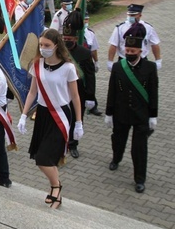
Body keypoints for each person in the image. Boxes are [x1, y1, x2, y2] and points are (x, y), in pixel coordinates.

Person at [17, 28, 83, 209]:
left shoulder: (68, 68)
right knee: (42, 156)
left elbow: (76, 97)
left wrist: (78, 122)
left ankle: (56, 186)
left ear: (56, 45)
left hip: (60, 115)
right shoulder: (36, 64)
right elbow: (32, 92)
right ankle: (56, 189)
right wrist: (23, 115)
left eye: (47, 45)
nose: (43, 48)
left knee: (43, 158)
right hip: (43, 115)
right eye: (41, 45)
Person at [105, 31, 158, 193]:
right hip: (121, 113)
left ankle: (139, 179)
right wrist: (109, 113)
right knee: (118, 140)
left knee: (139, 149)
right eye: (127, 51)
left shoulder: (150, 67)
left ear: (140, 51)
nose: (129, 54)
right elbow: (112, 91)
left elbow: (153, 92)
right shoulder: (118, 67)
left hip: (141, 115)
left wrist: (153, 116)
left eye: (132, 52)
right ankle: (117, 158)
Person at [62, 11, 96, 159]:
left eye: (69, 39)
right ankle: (61, 143)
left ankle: (73, 144)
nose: (67, 41)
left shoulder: (85, 53)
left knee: (77, 118)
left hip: (79, 92)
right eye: (64, 38)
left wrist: (90, 96)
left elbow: (90, 75)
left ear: (76, 38)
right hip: (61, 92)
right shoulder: (57, 52)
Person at [107, 4, 161, 71]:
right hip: (124, 60)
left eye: (133, 15)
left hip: (142, 60)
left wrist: (158, 60)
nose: (130, 17)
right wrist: (110, 61)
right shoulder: (120, 28)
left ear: (140, 15)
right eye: (129, 15)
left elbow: (155, 44)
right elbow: (113, 45)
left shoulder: (148, 27)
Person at [83, 13, 103, 116]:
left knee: (91, 84)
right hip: (77, 63)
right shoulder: (75, 33)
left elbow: (94, 49)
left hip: (88, 62)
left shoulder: (90, 33)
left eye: (87, 20)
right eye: (84, 20)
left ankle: (92, 106)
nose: (86, 22)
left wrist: (96, 61)